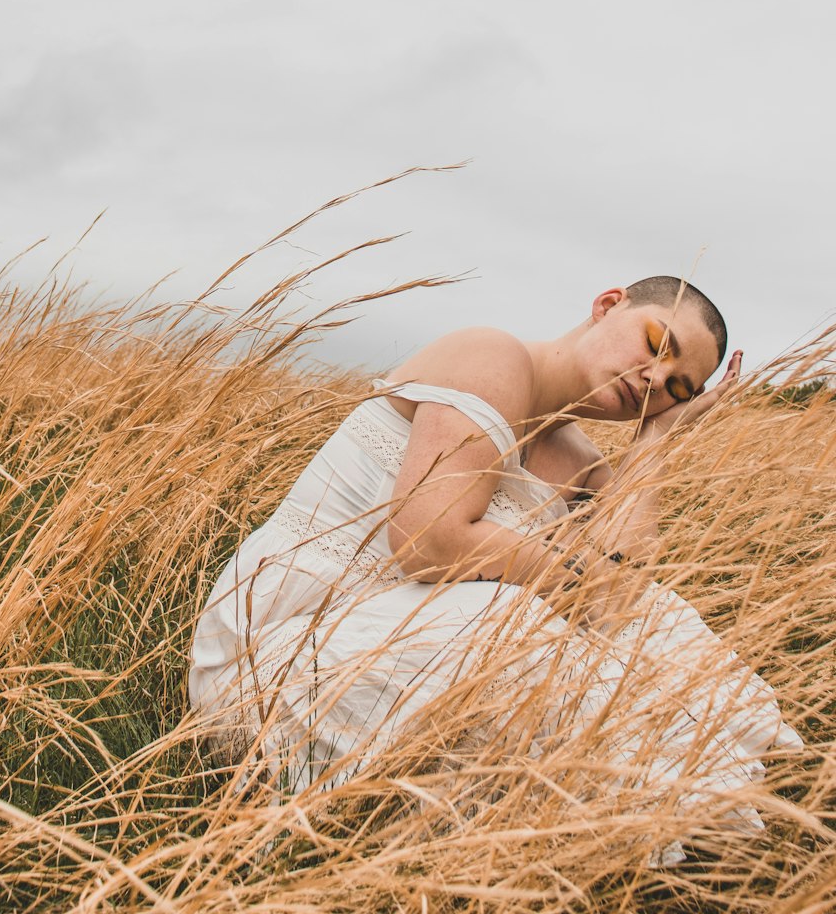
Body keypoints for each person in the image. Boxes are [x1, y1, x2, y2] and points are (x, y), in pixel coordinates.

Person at [188, 278, 802, 847]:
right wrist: (575, 582)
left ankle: (736, 792)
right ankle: (664, 808)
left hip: (400, 654)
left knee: (659, 613)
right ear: (608, 304)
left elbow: (622, 600)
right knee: (509, 613)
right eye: (654, 344)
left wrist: (654, 444)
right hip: (271, 664)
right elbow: (430, 541)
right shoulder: (492, 357)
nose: (654, 378)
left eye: (676, 388)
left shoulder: (583, 462)